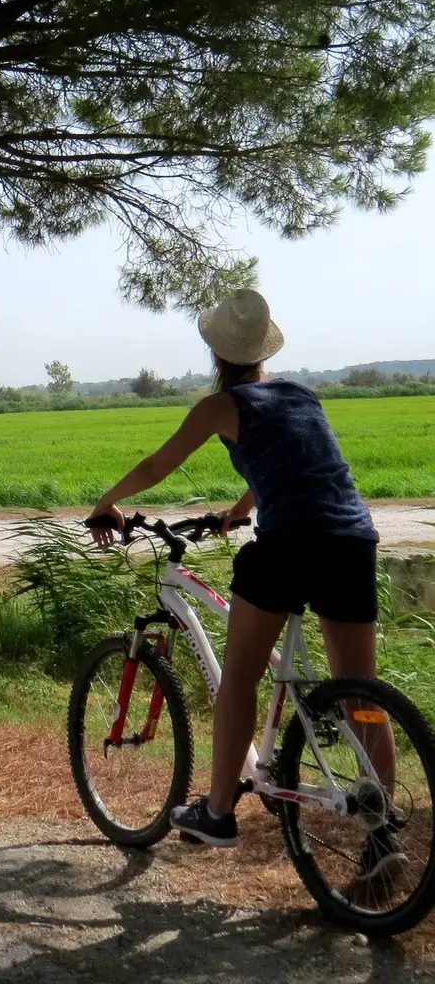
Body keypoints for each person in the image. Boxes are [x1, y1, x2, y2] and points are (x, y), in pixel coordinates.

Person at [87, 289, 399, 880]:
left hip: (290, 548)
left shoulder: (219, 405)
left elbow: (157, 466)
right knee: (361, 694)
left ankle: (219, 811)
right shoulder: (302, 395)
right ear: (263, 350)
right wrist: (242, 506)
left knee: (240, 678)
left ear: (217, 352)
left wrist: (107, 503)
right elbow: (298, 466)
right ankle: (383, 829)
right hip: (353, 540)